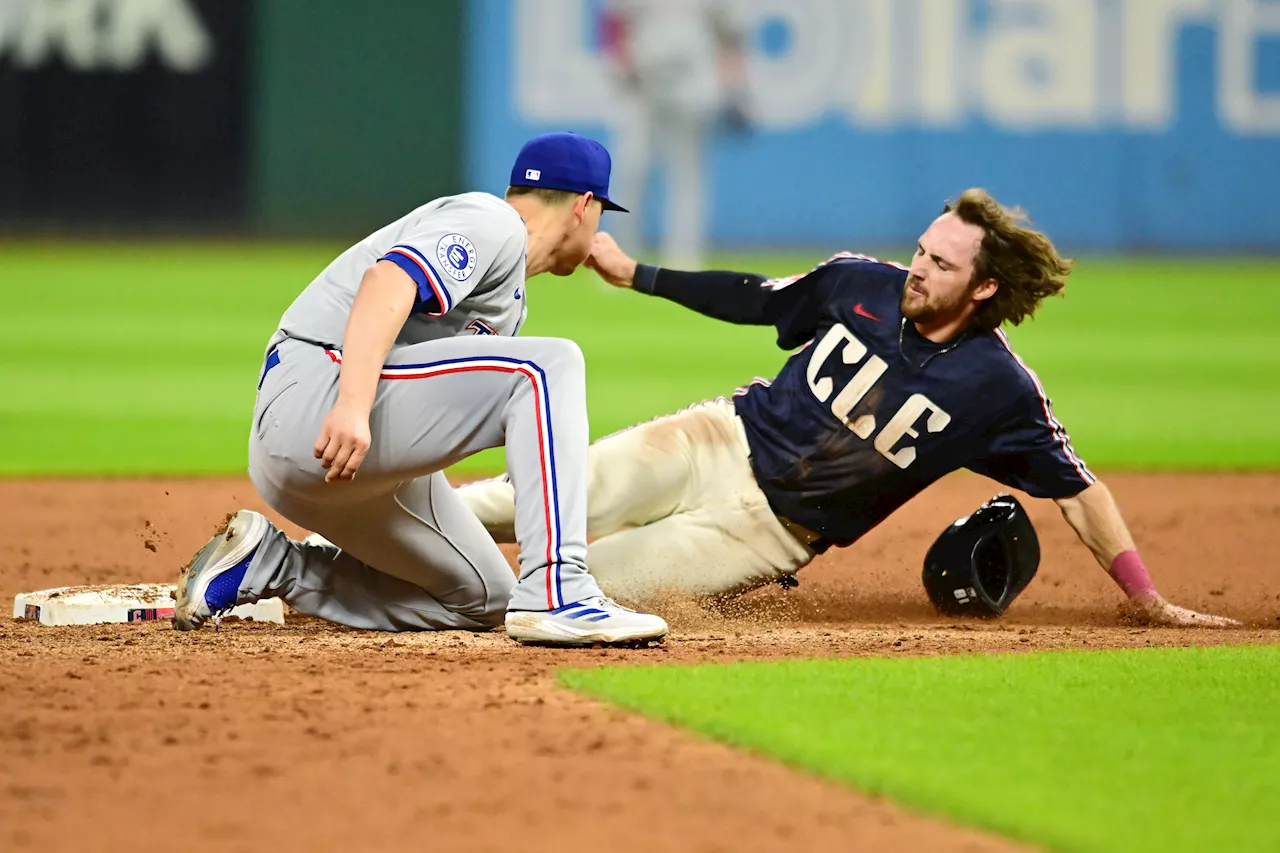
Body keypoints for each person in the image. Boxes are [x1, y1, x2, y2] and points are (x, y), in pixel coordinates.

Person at [458, 189, 1238, 628]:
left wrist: (1147, 598)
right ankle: (351, 533)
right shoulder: (858, 281)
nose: (919, 268)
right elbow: (757, 300)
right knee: (525, 495)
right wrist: (639, 275)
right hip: (712, 439)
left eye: (941, 263)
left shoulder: (999, 390)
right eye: (923, 249)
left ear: (986, 287)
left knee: (581, 586)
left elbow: (1078, 488)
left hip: (764, 534)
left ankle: (416, 585)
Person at [172, 132, 668, 646]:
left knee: (484, 597)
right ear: (585, 207)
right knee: (548, 366)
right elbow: (386, 281)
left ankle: (269, 564)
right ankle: (560, 589)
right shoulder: (492, 222)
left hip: (346, 461)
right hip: (318, 398)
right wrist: (351, 404)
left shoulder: (511, 296)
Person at [600, 0, 749, 270]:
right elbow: (614, 21)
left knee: (687, 174)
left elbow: (729, 34)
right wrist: (618, 62)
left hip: (692, 80)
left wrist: (735, 85)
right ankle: (617, 256)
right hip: (642, 80)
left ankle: (683, 259)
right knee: (632, 169)